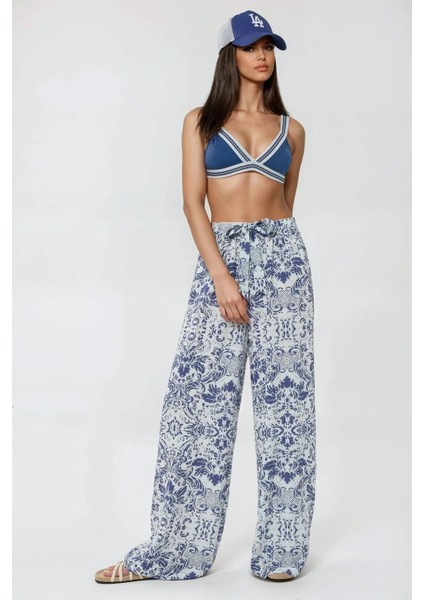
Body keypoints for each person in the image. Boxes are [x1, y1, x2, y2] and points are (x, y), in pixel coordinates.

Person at [95, 9, 316, 585]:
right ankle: (176, 549)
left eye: (268, 46)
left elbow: (286, 205)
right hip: (222, 259)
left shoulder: (292, 130)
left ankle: (282, 551)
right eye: (250, 47)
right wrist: (221, 275)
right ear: (230, 56)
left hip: (284, 264)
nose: (262, 56)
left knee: (286, 408)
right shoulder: (200, 122)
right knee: (198, 406)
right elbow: (193, 202)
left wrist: (272, 263)